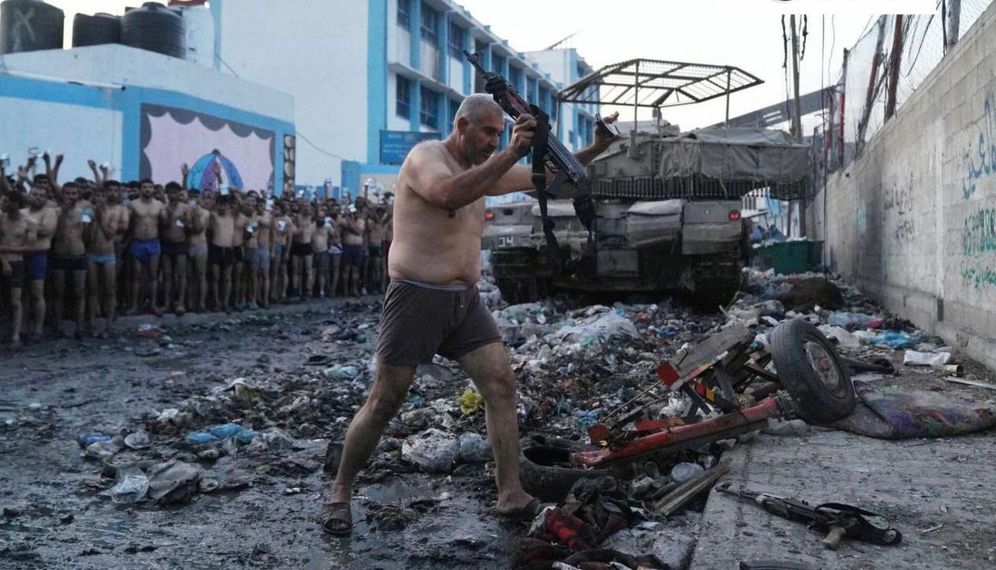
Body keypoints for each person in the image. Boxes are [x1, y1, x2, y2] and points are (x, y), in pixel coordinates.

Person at [319, 95, 620, 535]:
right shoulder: (427, 158)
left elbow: (546, 176)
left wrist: (594, 149)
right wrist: (512, 152)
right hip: (416, 296)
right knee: (386, 401)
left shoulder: (486, 168)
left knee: (500, 384)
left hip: (465, 301)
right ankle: (339, 493)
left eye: (499, 134)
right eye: (487, 132)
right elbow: (449, 193)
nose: (493, 141)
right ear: (461, 125)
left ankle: (510, 493)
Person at [49, 180, 91, 338]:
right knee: (58, 293)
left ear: (78, 194)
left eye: (73, 193)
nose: (71, 197)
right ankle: (58, 327)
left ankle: (79, 327)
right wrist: (63, 214)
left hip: (78, 254)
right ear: (63, 194)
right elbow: (56, 235)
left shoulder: (85, 209)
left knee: (80, 292)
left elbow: (87, 235)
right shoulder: (57, 211)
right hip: (60, 254)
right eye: (67, 193)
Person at [85, 184, 125, 337]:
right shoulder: (88, 211)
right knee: (93, 290)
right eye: (98, 196)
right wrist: (90, 223)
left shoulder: (112, 212)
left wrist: (101, 218)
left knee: (109, 289)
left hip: (108, 254)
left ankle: (109, 325)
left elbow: (110, 234)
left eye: (103, 196)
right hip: (92, 254)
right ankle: (93, 323)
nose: (100, 199)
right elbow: (86, 236)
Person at [21, 178, 58, 340]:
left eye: (41, 195)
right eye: (34, 194)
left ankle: (38, 329)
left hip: (38, 255)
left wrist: (30, 225)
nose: (37, 197)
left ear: (46, 197)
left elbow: (46, 230)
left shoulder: (50, 212)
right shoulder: (22, 212)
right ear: (29, 195)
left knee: (37, 293)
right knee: (22, 294)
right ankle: (22, 327)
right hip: (21, 255)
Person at [1, 192, 37, 346]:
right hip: (3, 261)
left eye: (6, 201)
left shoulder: (29, 222)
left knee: (16, 301)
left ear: (15, 204)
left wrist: (6, 248)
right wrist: (4, 261)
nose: (2, 203)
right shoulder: (1, 219)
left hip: (17, 262)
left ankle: (16, 335)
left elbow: (30, 247)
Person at [127, 179, 167, 315]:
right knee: (136, 276)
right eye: (144, 187)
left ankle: (153, 305)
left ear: (153, 189)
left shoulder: (159, 205)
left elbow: (165, 222)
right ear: (140, 189)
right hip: (138, 242)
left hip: (153, 242)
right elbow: (128, 225)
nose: (147, 189)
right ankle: (134, 306)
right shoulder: (132, 204)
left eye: (150, 187)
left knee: (153, 275)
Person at [161, 182, 189, 315]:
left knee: (181, 274)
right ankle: (167, 303)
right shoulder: (163, 207)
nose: (173, 195)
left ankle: (181, 303)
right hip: (166, 244)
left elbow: (191, 227)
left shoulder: (185, 207)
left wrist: (185, 221)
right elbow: (162, 225)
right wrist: (170, 215)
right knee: (167, 275)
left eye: (175, 192)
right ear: (166, 193)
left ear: (179, 193)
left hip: (181, 243)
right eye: (170, 192)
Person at [183, 190, 212, 313]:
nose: (193, 199)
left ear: (199, 198)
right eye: (191, 196)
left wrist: (194, 216)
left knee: (200, 275)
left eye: (195, 196)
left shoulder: (205, 212)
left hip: (200, 245)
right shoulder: (184, 211)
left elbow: (198, 229)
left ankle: (201, 303)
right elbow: (184, 229)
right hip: (187, 245)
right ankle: (190, 303)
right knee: (189, 277)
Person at [208, 193, 237, 312]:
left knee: (227, 278)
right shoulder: (213, 215)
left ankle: (225, 303)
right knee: (215, 277)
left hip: (228, 249)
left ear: (228, 206)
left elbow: (240, 205)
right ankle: (216, 302)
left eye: (225, 205)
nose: (222, 207)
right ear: (217, 205)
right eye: (220, 205)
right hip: (216, 248)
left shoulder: (232, 216)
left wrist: (233, 191)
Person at [290, 200, 316, 299]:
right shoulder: (297, 217)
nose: (306, 208)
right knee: (296, 270)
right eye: (304, 206)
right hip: (297, 244)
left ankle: (308, 291)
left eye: (307, 206)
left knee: (308, 269)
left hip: (307, 244)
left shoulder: (311, 218)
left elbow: (318, 213)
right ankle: (297, 290)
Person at [339, 203, 366, 296]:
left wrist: (349, 220)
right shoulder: (343, 220)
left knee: (356, 270)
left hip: (357, 247)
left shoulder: (360, 221)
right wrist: (348, 218)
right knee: (346, 269)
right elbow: (350, 227)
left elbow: (358, 231)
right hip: (347, 247)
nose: (353, 214)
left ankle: (354, 289)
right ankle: (345, 290)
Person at [311, 207, 335, 298]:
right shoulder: (312, 226)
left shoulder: (327, 227)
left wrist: (332, 224)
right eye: (319, 217)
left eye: (322, 217)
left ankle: (322, 291)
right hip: (313, 251)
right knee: (312, 273)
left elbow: (334, 235)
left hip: (323, 251)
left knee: (322, 272)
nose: (320, 219)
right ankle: (311, 291)